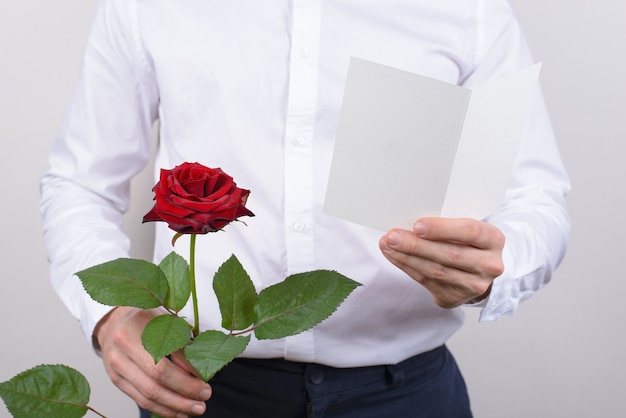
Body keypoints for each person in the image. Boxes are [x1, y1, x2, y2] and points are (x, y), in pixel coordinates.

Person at [39, 0, 570, 417]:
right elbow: (79, 181)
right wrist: (110, 316)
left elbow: (535, 198)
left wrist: (499, 268)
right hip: (201, 388)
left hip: (405, 395)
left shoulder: (468, 6)